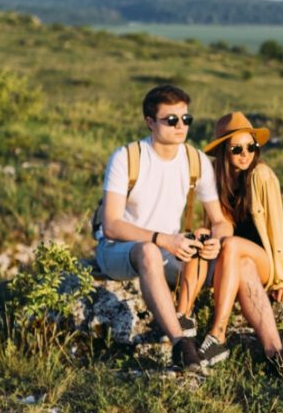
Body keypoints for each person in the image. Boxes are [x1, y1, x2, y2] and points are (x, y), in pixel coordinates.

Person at [95, 85, 232, 371]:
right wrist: (161, 239)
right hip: (119, 250)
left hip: (170, 248)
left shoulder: (196, 161)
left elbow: (220, 222)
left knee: (230, 261)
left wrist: (215, 240)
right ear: (150, 122)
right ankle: (181, 344)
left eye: (186, 119)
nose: (181, 126)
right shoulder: (127, 157)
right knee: (149, 252)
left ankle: (260, 350)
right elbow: (111, 225)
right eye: (171, 120)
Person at [174, 112, 283, 370]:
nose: (246, 154)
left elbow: (277, 228)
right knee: (211, 243)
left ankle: (217, 333)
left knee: (232, 247)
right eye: (237, 148)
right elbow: (223, 227)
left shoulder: (261, 175)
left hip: (262, 257)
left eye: (251, 147)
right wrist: (207, 237)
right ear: (223, 151)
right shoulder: (218, 179)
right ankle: (275, 356)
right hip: (236, 261)